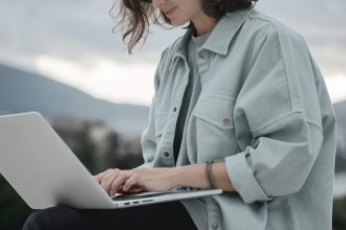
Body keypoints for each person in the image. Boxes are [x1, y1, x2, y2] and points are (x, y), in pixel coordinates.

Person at [23, 0, 337, 230]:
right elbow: (160, 165)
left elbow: (286, 162)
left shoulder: (271, 41)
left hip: (246, 222)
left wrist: (170, 177)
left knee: (54, 225)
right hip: (184, 211)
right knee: (50, 218)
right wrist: (129, 179)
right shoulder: (171, 60)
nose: (157, 3)